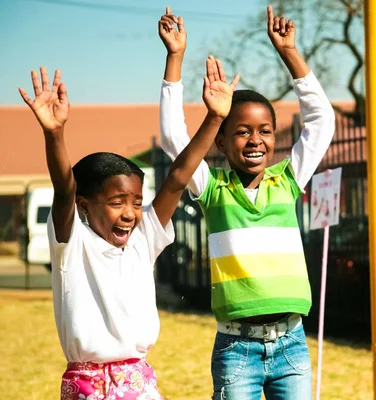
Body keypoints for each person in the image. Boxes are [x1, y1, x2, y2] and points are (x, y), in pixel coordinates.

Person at [18, 52, 239, 399]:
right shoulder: (72, 244)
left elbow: (178, 177)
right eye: (117, 202)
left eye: (136, 203)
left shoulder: (142, 240)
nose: (130, 213)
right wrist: (54, 133)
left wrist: (213, 118)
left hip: (138, 384)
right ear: (84, 206)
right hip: (86, 386)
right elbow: (64, 188)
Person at [158, 5, 335, 399]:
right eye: (241, 131)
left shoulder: (287, 180)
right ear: (220, 141)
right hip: (236, 350)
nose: (255, 140)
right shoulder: (211, 189)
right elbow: (173, 139)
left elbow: (322, 120)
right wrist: (175, 59)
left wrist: (289, 52)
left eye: (265, 130)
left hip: (292, 346)